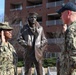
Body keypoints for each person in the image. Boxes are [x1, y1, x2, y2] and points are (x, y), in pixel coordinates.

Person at [57, 2, 76, 75]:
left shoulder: (71, 30)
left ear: (68, 13)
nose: (60, 17)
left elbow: (73, 57)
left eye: (61, 14)